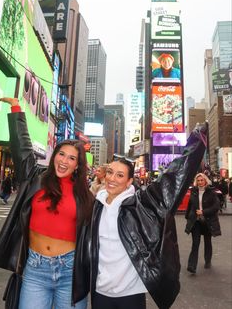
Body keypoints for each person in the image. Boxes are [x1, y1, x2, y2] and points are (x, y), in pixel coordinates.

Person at [89, 121, 208, 309]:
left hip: (131, 293)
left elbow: (173, 178)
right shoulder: (96, 205)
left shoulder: (141, 204)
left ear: (129, 182)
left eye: (120, 175)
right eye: (110, 172)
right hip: (100, 292)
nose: (112, 178)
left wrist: (197, 141)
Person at [0, 97, 94, 309]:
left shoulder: (86, 196)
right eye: (61, 154)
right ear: (54, 155)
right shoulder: (35, 177)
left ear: (78, 165)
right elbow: (22, 148)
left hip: (70, 271)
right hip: (35, 269)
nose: (64, 161)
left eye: (71, 158)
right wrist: (16, 109)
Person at [185, 173, 221, 274]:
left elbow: (216, 206)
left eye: (202, 180)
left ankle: (208, 260)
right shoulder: (194, 191)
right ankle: (192, 266)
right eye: (198, 180)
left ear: (205, 181)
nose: (200, 182)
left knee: (207, 241)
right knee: (195, 243)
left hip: (207, 221)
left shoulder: (211, 192)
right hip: (196, 221)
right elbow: (190, 204)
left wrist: (204, 212)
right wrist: (188, 217)